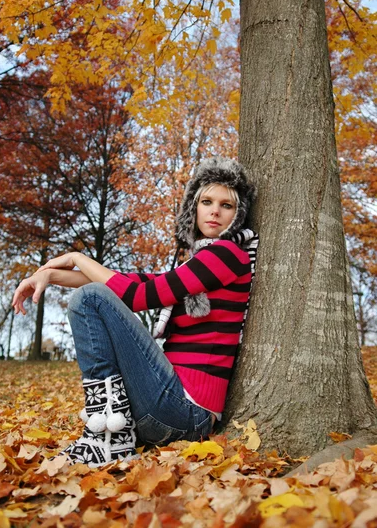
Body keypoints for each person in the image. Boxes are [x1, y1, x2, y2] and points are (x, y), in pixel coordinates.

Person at [13, 157, 259, 467]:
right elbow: (133, 282)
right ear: (192, 208)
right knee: (88, 294)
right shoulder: (196, 264)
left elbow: (137, 296)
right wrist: (48, 276)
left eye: (227, 205)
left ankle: (108, 434)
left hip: (186, 414)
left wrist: (76, 256)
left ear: (238, 216)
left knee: (91, 297)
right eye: (206, 201)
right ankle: (108, 431)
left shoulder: (226, 254)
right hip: (166, 407)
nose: (214, 211)